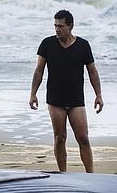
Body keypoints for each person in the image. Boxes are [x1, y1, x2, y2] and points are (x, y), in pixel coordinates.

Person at [29, 10, 104, 173]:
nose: (57, 29)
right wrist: (33, 94)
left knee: (83, 138)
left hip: (76, 99)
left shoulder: (83, 45)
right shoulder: (47, 44)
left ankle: (90, 174)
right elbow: (38, 71)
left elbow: (92, 72)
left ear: (70, 26)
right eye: (55, 25)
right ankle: (63, 174)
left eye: (61, 26)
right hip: (55, 100)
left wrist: (98, 95)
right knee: (60, 137)